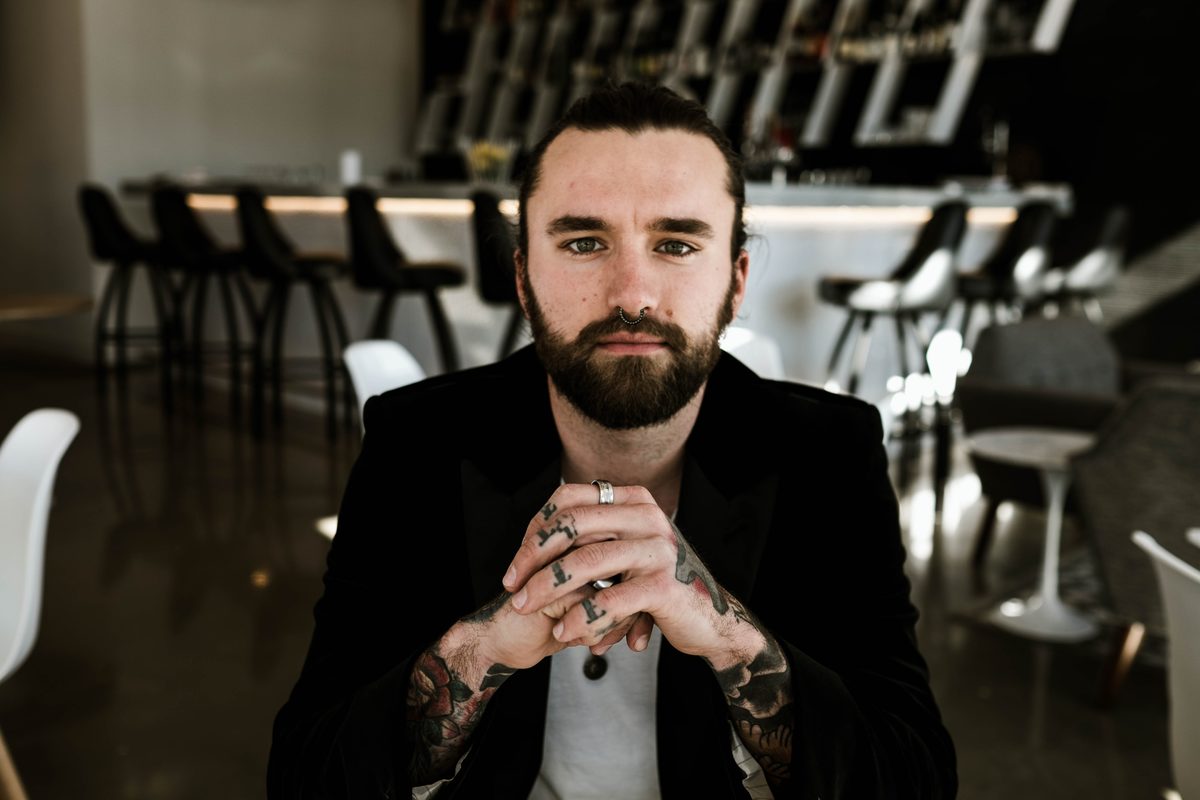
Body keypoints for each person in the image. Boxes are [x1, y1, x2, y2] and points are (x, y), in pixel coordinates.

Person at [268, 82, 956, 799]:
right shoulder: (418, 441)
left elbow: (915, 779)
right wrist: (484, 647)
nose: (632, 294)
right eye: (584, 243)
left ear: (736, 282)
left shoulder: (828, 451)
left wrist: (727, 635)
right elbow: (304, 777)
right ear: (523, 279)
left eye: (677, 245)